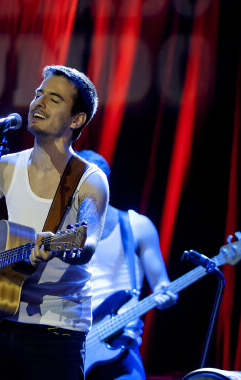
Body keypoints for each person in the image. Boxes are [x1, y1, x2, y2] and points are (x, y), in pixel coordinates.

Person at [0, 65, 110, 380]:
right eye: (38, 94)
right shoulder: (5, 167)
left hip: (56, 330)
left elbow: (87, 241)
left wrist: (65, 245)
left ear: (76, 120)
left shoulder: (89, 179)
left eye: (54, 99)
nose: (38, 102)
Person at [77, 150, 177, 380]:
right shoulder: (59, 232)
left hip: (119, 345)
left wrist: (165, 293)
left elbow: (161, 284)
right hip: (69, 342)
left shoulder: (137, 225)